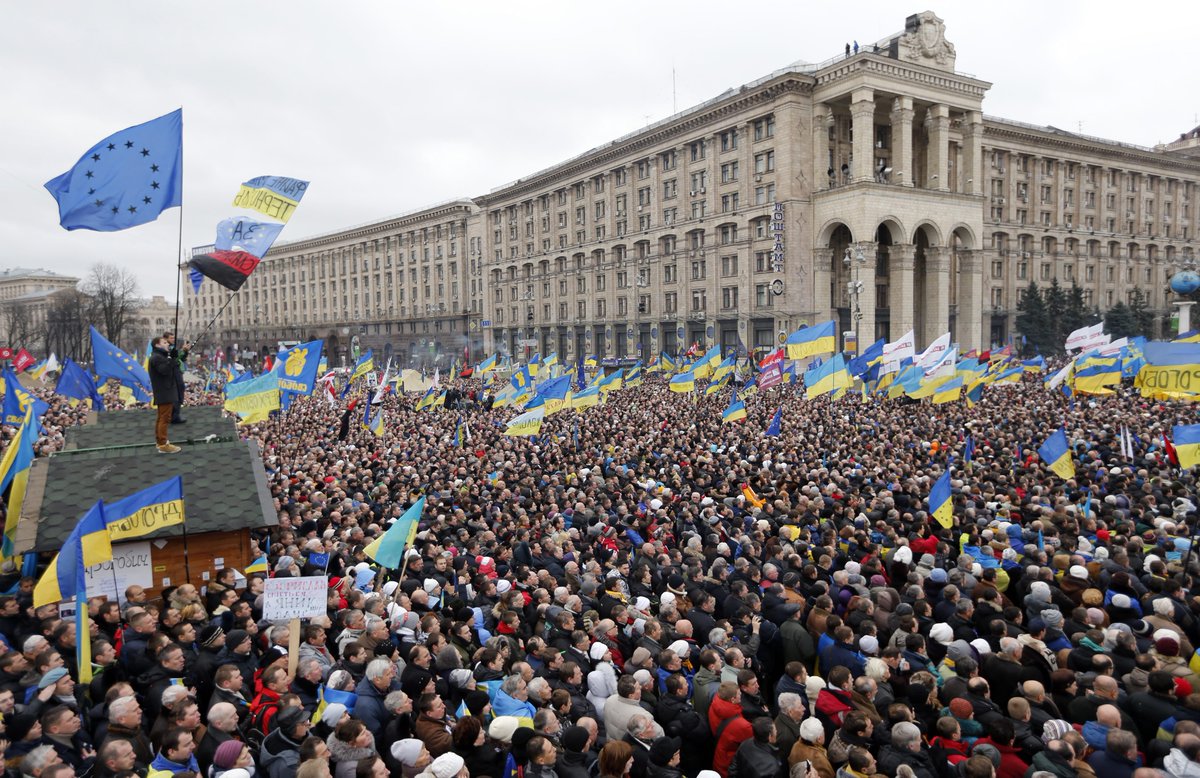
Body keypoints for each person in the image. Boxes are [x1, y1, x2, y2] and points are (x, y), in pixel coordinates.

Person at [148, 336, 180, 453]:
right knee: (165, 418)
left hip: (164, 391)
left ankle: (160, 442)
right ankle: (163, 444)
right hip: (164, 391)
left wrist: (172, 357)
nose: (168, 344)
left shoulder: (160, 356)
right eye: (165, 342)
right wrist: (171, 359)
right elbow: (164, 370)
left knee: (162, 417)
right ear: (157, 345)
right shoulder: (157, 358)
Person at [164, 331, 190, 424]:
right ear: (166, 339)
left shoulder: (172, 347)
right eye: (171, 338)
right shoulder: (167, 347)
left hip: (177, 370)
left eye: (173, 338)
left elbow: (181, 358)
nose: (173, 340)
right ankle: (174, 415)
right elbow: (175, 356)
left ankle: (176, 414)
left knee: (180, 391)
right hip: (173, 371)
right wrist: (182, 350)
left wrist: (185, 352)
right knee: (178, 391)